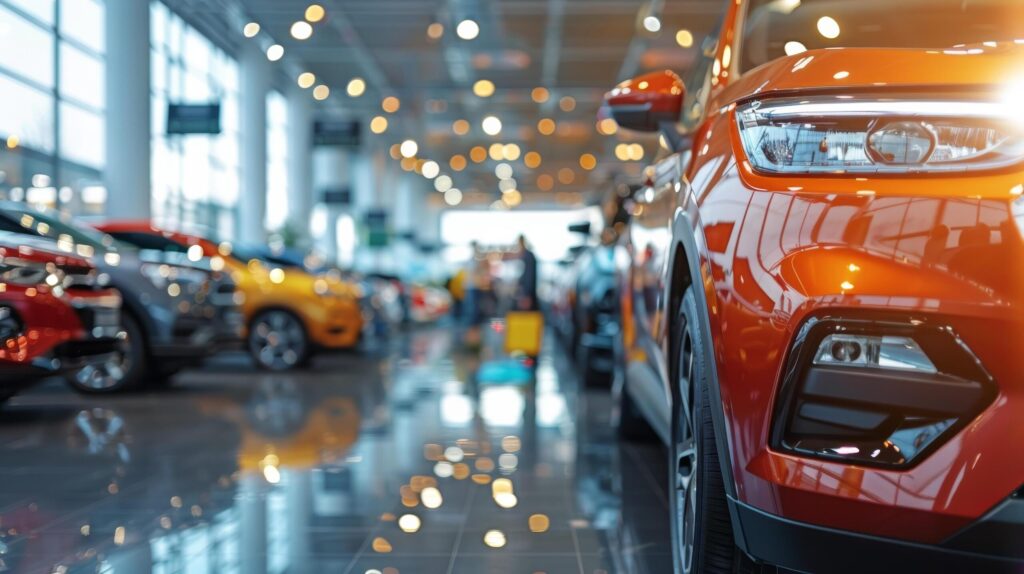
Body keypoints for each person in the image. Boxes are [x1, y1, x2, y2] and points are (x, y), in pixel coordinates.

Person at [515, 234, 538, 310]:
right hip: (527, 293)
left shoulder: (528, 256)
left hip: (528, 294)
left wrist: (526, 294)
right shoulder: (526, 255)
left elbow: (529, 276)